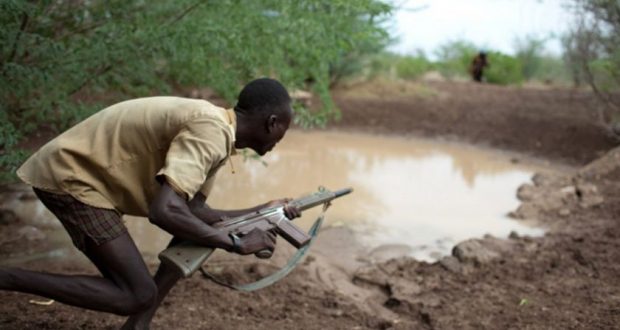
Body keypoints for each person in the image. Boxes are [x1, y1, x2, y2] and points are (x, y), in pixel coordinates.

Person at [0, 77, 301, 329]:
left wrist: (263, 211)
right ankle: (7, 277)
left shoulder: (218, 132)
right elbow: (164, 211)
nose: (281, 138)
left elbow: (193, 212)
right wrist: (235, 242)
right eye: (284, 129)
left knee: (187, 232)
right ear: (272, 123)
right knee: (136, 294)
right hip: (72, 178)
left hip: (84, 179)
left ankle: (137, 326)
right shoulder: (211, 131)